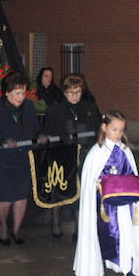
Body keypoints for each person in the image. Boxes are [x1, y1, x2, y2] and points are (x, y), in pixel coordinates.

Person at [73, 110, 139, 276]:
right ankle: (98, 264)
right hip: (105, 207)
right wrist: (99, 185)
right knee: (106, 235)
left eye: (121, 130)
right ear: (104, 128)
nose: (118, 134)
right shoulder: (97, 152)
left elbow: (132, 174)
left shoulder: (125, 150)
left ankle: (129, 271)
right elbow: (90, 179)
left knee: (128, 236)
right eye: (114, 129)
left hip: (125, 206)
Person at [0, 70, 44, 246]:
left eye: (23, 93)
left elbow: (35, 128)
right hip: (0, 160)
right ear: (7, 92)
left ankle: (16, 230)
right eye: (17, 93)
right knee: (5, 198)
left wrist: (40, 136)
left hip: (21, 158)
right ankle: (3, 227)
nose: (21, 97)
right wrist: (2, 141)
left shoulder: (28, 106)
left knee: (21, 197)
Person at [43, 73, 100, 239]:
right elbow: (48, 132)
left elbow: (98, 130)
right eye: (70, 93)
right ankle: (55, 222)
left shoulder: (90, 107)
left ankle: (78, 227)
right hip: (63, 155)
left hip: (85, 155)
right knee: (60, 190)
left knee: (81, 192)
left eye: (77, 92)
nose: (74, 96)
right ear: (64, 92)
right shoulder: (55, 111)